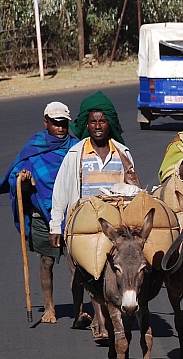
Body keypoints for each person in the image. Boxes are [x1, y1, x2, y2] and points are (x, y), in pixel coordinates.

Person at [49, 91, 140, 343]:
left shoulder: (123, 153)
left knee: (119, 269)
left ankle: (120, 310)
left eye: (102, 121)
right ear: (86, 125)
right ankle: (101, 321)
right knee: (91, 273)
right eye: (93, 122)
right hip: (85, 223)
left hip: (116, 224)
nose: (98, 127)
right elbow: (61, 192)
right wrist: (56, 226)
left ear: (109, 123)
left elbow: (133, 189)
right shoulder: (75, 155)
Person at [0, 102, 79, 325]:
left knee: (77, 265)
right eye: (56, 123)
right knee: (46, 263)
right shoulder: (34, 148)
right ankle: (50, 307)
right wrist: (22, 179)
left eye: (64, 124)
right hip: (44, 216)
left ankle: (79, 310)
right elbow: (15, 178)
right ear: (46, 122)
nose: (60, 128)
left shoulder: (76, 147)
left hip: (72, 215)